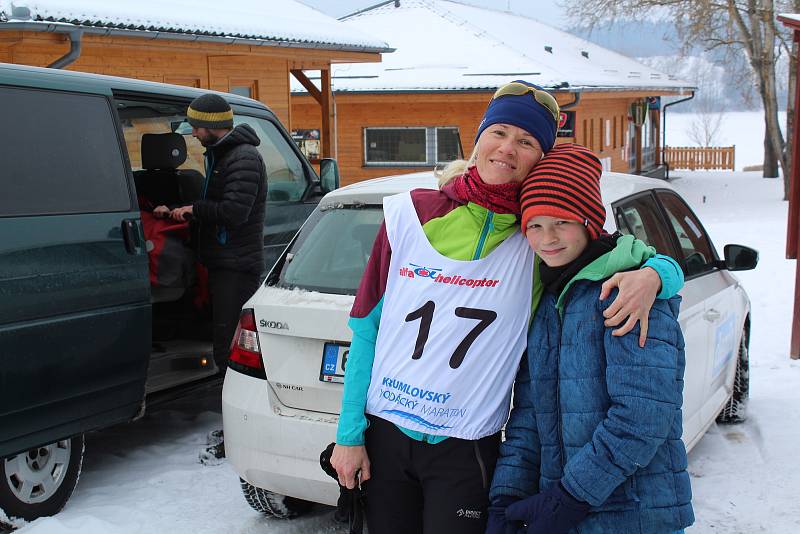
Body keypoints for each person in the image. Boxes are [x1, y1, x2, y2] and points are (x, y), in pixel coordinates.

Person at [330, 80, 685, 534]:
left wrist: (656, 275)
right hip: (387, 433)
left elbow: (619, 254)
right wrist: (348, 434)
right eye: (498, 133)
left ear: (542, 157)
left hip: (465, 446)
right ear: (478, 138)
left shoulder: (537, 240)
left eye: (526, 141)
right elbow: (366, 329)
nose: (507, 148)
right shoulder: (413, 214)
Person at [487, 144, 693, 534]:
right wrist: (506, 497)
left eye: (561, 222)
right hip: (568, 513)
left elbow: (642, 417)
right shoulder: (549, 297)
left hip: (634, 515)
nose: (547, 238)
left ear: (589, 222)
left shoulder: (627, 291)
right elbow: (530, 412)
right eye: (534, 225)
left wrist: (570, 497)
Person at [161, 93, 268, 372]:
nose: (193, 133)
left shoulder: (242, 158)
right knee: (224, 339)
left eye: (196, 127)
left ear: (213, 125)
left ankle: (234, 407)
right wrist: (180, 209)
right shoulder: (224, 156)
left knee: (230, 345)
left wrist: (194, 210)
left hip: (236, 265)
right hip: (223, 261)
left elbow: (234, 212)